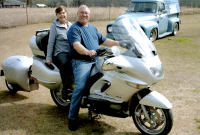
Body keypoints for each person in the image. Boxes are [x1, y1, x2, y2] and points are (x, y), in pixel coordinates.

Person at [67, 5, 119, 131]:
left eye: (86, 13)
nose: (84, 15)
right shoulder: (74, 29)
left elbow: (105, 40)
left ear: (89, 15)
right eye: (82, 13)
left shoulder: (92, 28)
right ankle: (72, 118)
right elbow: (76, 45)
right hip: (81, 62)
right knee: (80, 87)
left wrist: (120, 43)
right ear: (77, 13)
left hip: (96, 60)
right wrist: (87, 52)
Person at [46, 5, 72, 100]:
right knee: (65, 64)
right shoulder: (54, 27)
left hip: (71, 51)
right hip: (60, 52)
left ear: (66, 13)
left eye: (63, 13)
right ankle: (65, 90)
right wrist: (48, 57)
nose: (62, 15)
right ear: (57, 15)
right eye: (59, 13)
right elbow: (51, 43)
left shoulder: (70, 25)